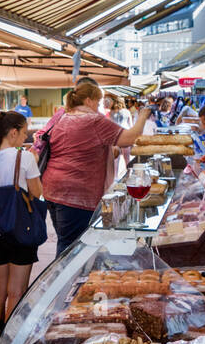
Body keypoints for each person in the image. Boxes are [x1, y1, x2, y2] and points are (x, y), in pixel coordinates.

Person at [41, 81, 152, 256]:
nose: (100, 107)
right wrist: (143, 116)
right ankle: (65, 282)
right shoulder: (93, 120)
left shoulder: (64, 116)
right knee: (72, 248)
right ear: (88, 100)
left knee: (66, 240)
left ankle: (67, 280)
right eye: (98, 102)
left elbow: (78, 147)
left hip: (52, 189)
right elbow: (131, 138)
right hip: (77, 193)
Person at [0, 111, 43, 344]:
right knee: (16, 292)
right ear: (13, 132)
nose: (25, 136)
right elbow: (37, 193)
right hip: (21, 232)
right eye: (24, 132)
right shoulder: (25, 158)